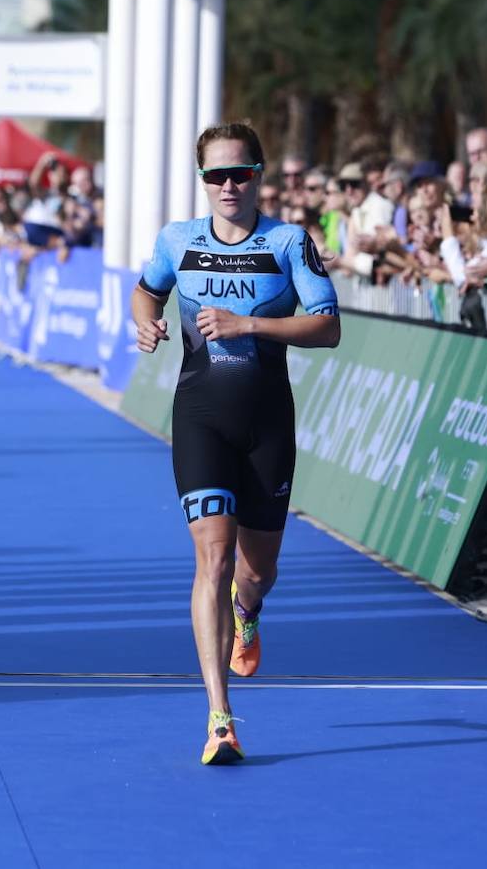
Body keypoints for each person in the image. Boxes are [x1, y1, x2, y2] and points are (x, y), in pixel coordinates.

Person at [130, 121, 340, 766]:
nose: (227, 186)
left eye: (239, 174)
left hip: (267, 423)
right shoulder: (177, 240)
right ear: (202, 182)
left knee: (254, 572)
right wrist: (147, 323)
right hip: (200, 417)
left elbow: (328, 327)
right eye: (215, 175)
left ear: (258, 177)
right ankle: (219, 718)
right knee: (212, 562)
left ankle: (248, 612)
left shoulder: (287, 242)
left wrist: (247, 322)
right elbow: (145, 291)